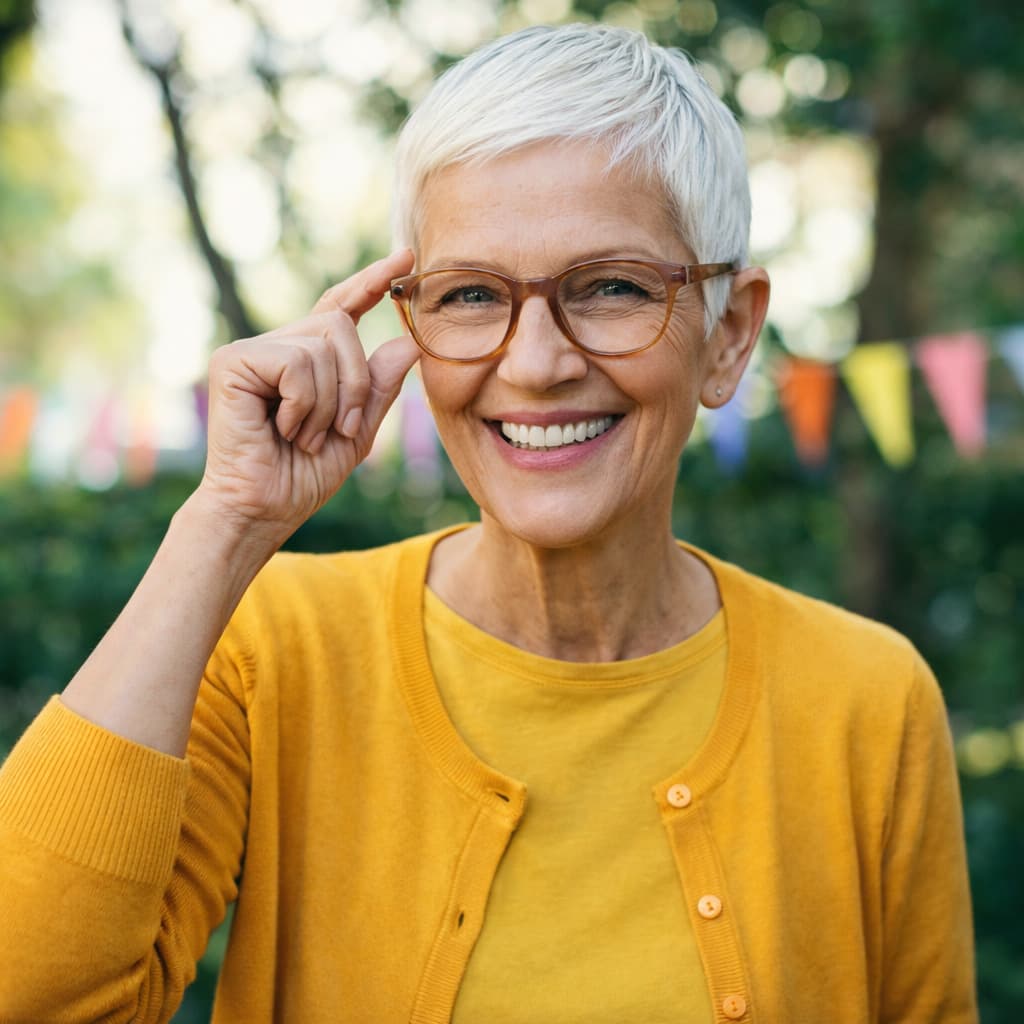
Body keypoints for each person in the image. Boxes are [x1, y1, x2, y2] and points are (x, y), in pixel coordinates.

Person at [0, 22, 977, 1024]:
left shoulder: (867, 700)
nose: (537, 362)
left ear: (726, 335)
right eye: (471, 296)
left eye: (610, 288)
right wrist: (226, 522)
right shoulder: (274, 648)